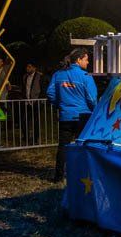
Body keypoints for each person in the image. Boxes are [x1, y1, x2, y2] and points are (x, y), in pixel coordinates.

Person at [46, 48, 97, 183]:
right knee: (82, 146)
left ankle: (58, 176)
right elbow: (92, 98)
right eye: (86, 59)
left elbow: (50, 93)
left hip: (66, 116)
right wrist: (94, 110)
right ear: (79, 60)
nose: (88, 62)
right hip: (83, 115)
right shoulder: (86, 76)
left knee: (63, 146)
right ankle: (81, 175)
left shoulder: (58, 74)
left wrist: (60, 104)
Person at [22, 63, 43, 144]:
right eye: (27, 66)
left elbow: (42, 89)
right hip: (27, 102)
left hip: (36, 102)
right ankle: (26, 137)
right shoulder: (25, 76)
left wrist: (39, 100)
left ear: (34, 68)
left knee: (36, 121)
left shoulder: (40, 76)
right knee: (24, 120)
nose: (27, 68)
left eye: (29, 67)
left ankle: (35, 139)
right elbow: (24, 88)